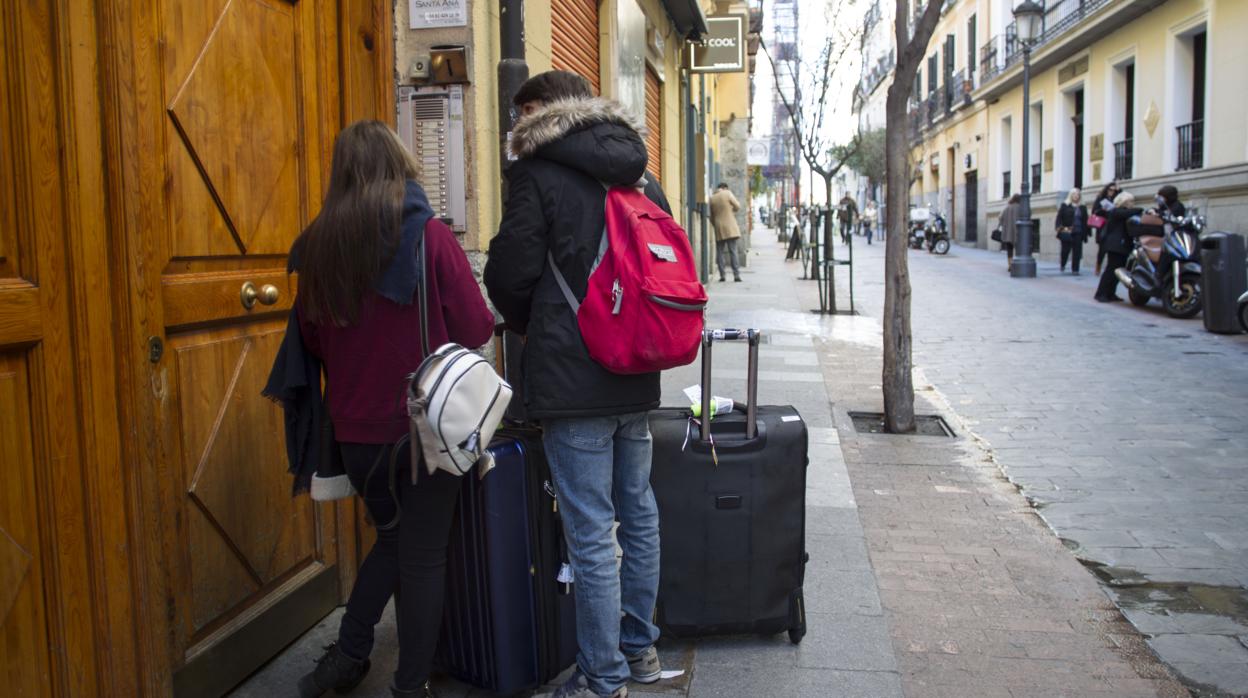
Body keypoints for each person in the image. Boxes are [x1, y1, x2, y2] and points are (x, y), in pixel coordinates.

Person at [292, 121, 494, 698]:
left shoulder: (316, 246)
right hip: (425, 431)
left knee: (393, 537)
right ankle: (410, 687)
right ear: (399, 165)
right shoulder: (428, 236)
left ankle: (349, 656)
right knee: (423, 555)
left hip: (355, 436)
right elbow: (477, 325)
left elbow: (309, 339)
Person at [484, 70, 669, 698]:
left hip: (573, 375)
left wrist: (527, 324)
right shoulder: (639, 172)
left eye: (522, 111)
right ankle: (640, 654)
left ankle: (601, 678)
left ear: (544, 111)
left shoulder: (536, 174)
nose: (516, 125)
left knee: (591, 530)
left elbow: (509, 270)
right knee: (638, 514)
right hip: (636, 369)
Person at [1095, 190, 1144, 303]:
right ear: (1124, 202)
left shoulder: (1123, 212)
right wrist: (1140, 209)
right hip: (1115, 245)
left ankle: (1111, 293)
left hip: (1123, 246)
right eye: (1131, 201)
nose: (1132, 203)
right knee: (1111, 270)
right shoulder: (1116, 212)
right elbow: (1129, 213)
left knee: (1118, 271)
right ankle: (1101, 293)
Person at [710, 182, 743, 282]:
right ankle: (736, 275)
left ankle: (722, 275)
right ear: (725, 188)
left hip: (719, 227)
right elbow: (737, 206)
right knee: (733, 251)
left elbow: (711, 216)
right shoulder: (727, 193)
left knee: (720, 252)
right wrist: (731, 210)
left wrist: (716, 223)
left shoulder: (712, 198)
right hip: (730, 226)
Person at [1055, 188, 1089, 275]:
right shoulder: (1065, 205)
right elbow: (1059, 217)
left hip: (1079, 231)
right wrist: (1059, 226)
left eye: (1078, 194)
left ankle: (1075, 269)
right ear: (1071, 195)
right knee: (1065, 250)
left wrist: (1087, 232)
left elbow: (1086, 220)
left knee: (1077, 251)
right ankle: (1063, 264)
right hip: (1067, 230)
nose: (1076, 196)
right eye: (1074, 194)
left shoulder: (1082, 207)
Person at [1092, 181, 1119, 275]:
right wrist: (1102, 210)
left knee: (1111, 248)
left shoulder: (1117, 199)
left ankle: (1109, 268)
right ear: (1106, 189)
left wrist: (1118, 189)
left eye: (1114, 190)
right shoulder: (1100, 199)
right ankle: (1098, 266)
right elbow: (1094, 212)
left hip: (1113, 226)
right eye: (1110, 190)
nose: (1112, 192)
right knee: (1102, 249)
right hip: (1103, 226)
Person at [998, 194, 1021, 272]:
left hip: (1008, 232)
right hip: (1018, 231)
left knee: (1009, 249)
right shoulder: (1020, 208)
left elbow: (1000, 218)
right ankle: (1018, 263)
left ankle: (1010, 265)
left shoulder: (1007, 207)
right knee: (1019, 248)